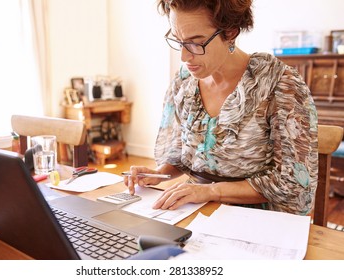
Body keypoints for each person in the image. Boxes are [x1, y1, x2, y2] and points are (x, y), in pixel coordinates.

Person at [124, 0, 318, 215]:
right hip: (195, 209)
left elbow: (293, 182)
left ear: (231, 32)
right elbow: (183, 156)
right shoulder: (183, 83)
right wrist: (159, 173)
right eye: (179, 41)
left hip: (259, 218)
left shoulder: (279, 85)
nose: (184, 56)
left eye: (196, 43)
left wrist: (210, 191)